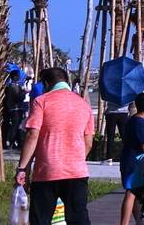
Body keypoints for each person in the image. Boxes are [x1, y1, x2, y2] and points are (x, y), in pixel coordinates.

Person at [16, 67, 93, 225]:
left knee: (40, 219)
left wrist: (23, 168)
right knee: (78, 219)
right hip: (76, 172)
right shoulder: (83, 105)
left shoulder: (41, 101)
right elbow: (88, 142)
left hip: (47, 171)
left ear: (46, 83)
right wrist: (75, 158)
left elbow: (32, 135)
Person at [118, 93, 144, 225]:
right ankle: (124, 222)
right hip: (135, 162)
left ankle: (139, 221)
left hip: (127, 158)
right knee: (131, 193)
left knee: (135, 194)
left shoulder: (131, 120)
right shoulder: (141, 124)